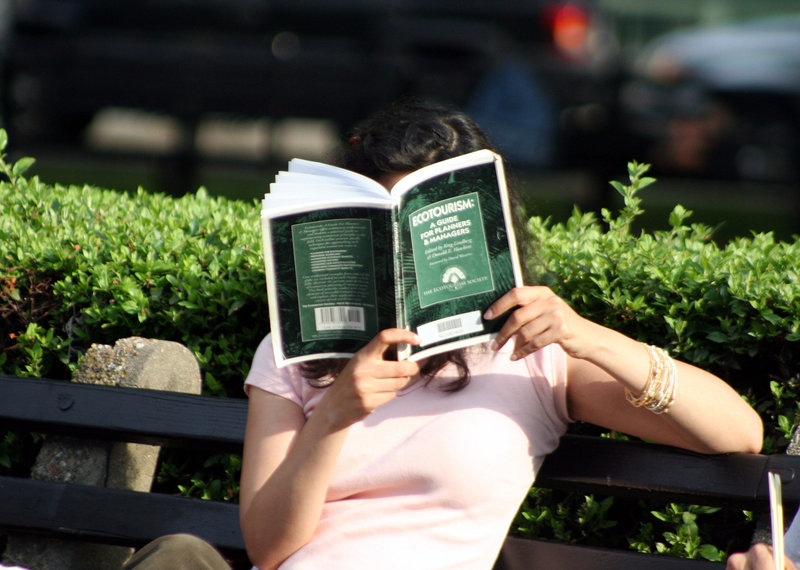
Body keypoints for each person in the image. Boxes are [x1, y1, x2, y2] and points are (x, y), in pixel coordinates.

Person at [235, 100, 763, 570]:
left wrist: (588, 336)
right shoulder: (299, 352)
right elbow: (267, 547)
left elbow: (737, 432)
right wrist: (333, 416)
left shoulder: (529, 354)